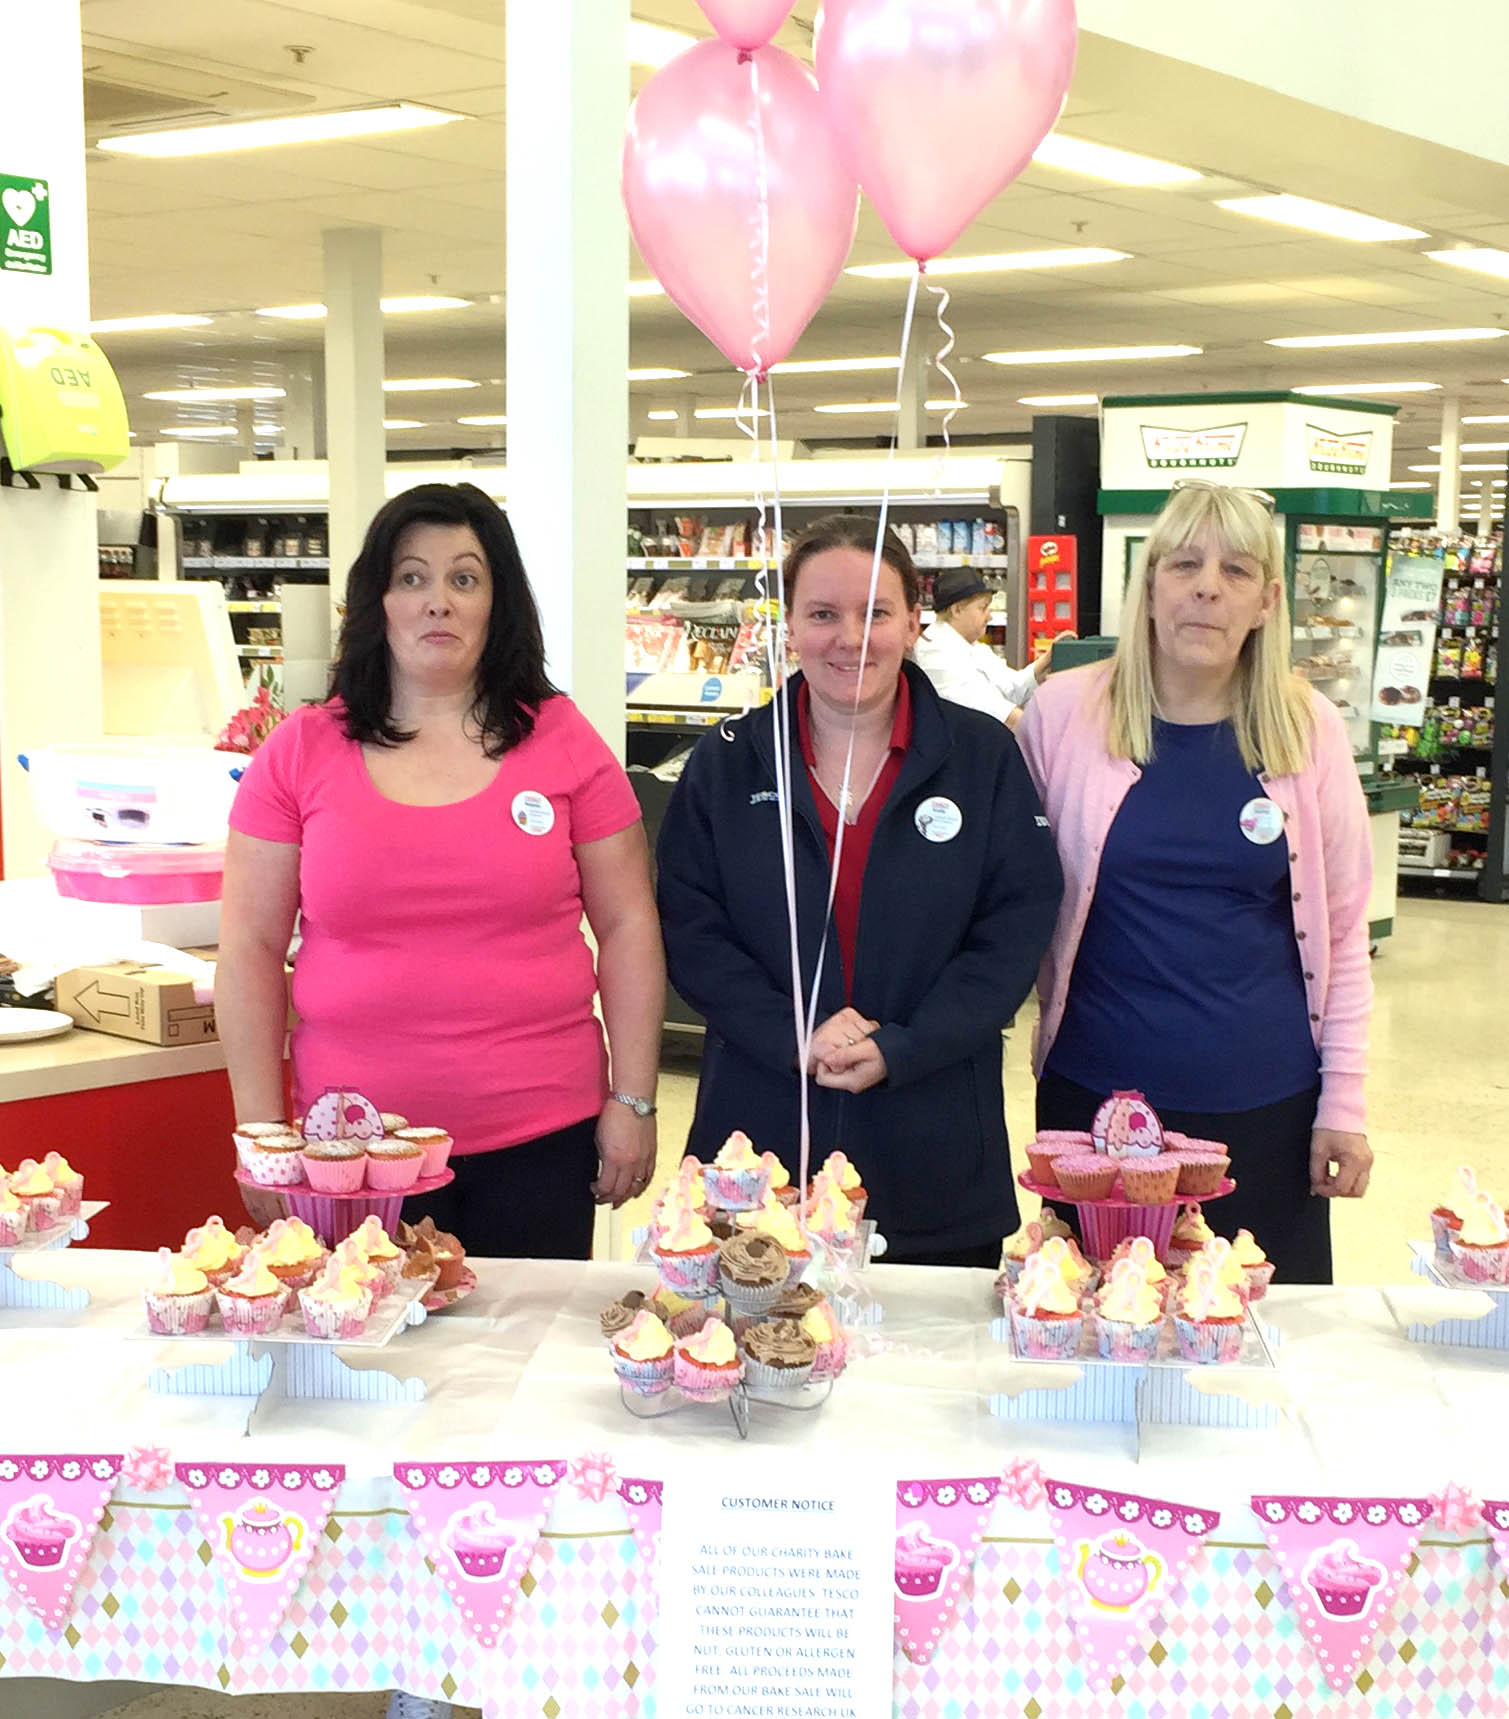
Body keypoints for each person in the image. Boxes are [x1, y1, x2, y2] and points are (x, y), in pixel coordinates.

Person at [218, 482, 666, 1261]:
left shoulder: (562, 740)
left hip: (538, 1135)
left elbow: (628, 923)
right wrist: (260, 1127)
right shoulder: (299, 751)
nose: (438, 602)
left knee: (523, 1372)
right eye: (412, 577)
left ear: (498, 602)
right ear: (377, 601)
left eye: (464, 578)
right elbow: (250, 947)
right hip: (349, 1152)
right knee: (363, 1364)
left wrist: (633, 1098)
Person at [656, 513, 1063, 1266]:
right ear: (789, 628)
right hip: (760, 1147)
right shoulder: (728, 764)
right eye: (822, 614)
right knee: (759, 1358)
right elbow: (689, 928)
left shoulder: (982, 759)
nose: (850, 638)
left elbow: (1013, 928)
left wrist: (903, 1047)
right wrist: (794, 1034)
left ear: (913, 621)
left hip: (933, 1143)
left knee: (933, 1377)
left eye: (875, 612)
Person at [1016, 481, 1373, 1284]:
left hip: (1263, 1110)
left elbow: (1345, 934)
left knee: (1244, 1344)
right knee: (1091, 1329)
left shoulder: (1305, 725)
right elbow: (1006, 897)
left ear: (1266, 601)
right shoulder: (1064, 715)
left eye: (1236, 570)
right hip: (1092, 1114)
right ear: (1147, 589)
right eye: (1183, 564)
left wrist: (1342, 1107)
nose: (1207, 585)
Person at [912, 565, 1070, 727]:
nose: (989, 617)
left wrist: (1048, 658)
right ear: (957, 610)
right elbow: (996, 712)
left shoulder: (974, 647)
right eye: (983, 608)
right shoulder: (934, 653)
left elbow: (1013, 687)